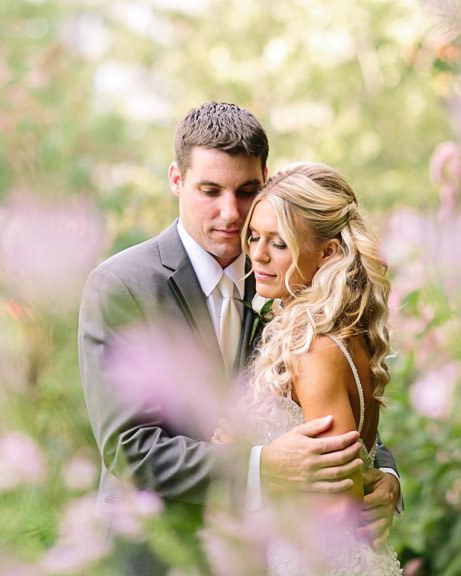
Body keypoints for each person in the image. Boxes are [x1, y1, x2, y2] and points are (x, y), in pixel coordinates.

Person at [77, 102, 400, 571]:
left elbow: (323, 405)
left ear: (265, 180)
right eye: (210, 190)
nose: (231, 214)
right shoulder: (123, 287)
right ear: (176, 180)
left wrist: (385, 473)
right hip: (162, 552)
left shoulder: (287, 278)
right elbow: (130, 449)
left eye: (246, 191)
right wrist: (261, 467)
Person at [234, 161, 403, 574]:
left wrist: (242, 461)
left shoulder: (313, 348)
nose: (257, 253)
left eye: (279, 243)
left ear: (327, 252)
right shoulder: (344, 333)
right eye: (254, 236)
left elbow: (339, 506)